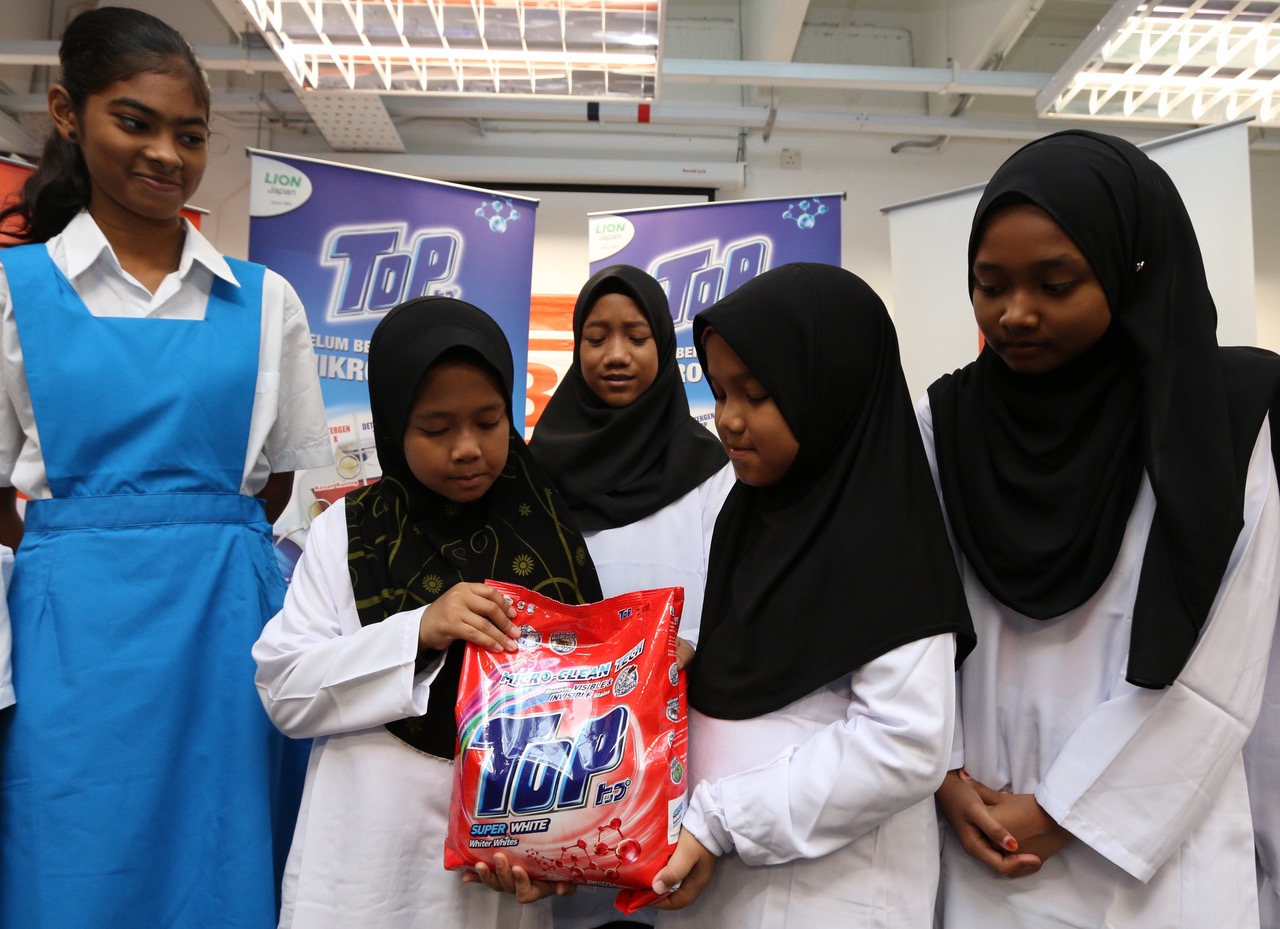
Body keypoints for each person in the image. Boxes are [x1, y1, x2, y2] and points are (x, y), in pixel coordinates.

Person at [0, 8, 330, 929]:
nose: (167, 155)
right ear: (68, 111)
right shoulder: (11, 295)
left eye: (190, 136)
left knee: (220, 872)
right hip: (66, 643)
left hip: (226, 635)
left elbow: (272, 488)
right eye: (134, 122)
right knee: (66, 858)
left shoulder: (268, 302)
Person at [921, 129, 1280, 929]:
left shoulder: (1223, 419)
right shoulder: (943, 422)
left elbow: (1230, 659)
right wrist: (941, 775)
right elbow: (909, 622)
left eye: (1056, 284)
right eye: (990, 285)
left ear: (1132, 271)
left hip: (1152, 850)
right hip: (981, 837)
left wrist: (1066, 808)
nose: (1015, 314)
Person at [253, 296, 604, 929]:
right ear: (392, 426)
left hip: (503, 856)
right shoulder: (348, 533)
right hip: (370, 855)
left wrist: (557, 849)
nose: (468, 448)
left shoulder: (548, 527)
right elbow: (284, 691)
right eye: (436, 429)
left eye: (489, 421)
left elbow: (586, 710)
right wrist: (419, 629)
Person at [648, 262, 975, 928]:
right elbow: (764, 674)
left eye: (758, 393)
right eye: (720, 391)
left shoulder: (884, 535)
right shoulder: (748, 516)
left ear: (830, 389)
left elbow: (906, 742)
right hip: (722, 883)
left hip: (831, 896)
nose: (729, 420)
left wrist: (724, 820)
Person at [528, 264, 733, 929]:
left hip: (675, 734)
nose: (615, 355)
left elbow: (732, 588)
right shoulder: (536, 469)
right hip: (561, 739)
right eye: (596, 336)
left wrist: (692, 644)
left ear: (663, 348)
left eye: (637, 335)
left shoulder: (710, 468)